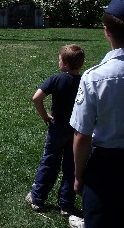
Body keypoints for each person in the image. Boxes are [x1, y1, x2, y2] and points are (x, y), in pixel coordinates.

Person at [69, 0, 124, 228]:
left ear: (106, 31)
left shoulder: (95, 77)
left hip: (106, 169)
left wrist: (78, 175)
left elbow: (82, 135)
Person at [26, 44, 85, 217]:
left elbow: (36, 98)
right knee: (70, 166)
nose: (58, 62)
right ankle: (66, 205)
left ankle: (37, 198)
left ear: (65, 65)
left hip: (57, 128)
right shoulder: (84, 81)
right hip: (75, 129)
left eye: (59, 59)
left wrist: (45, 116)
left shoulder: (56, 79)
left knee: (49, 162)